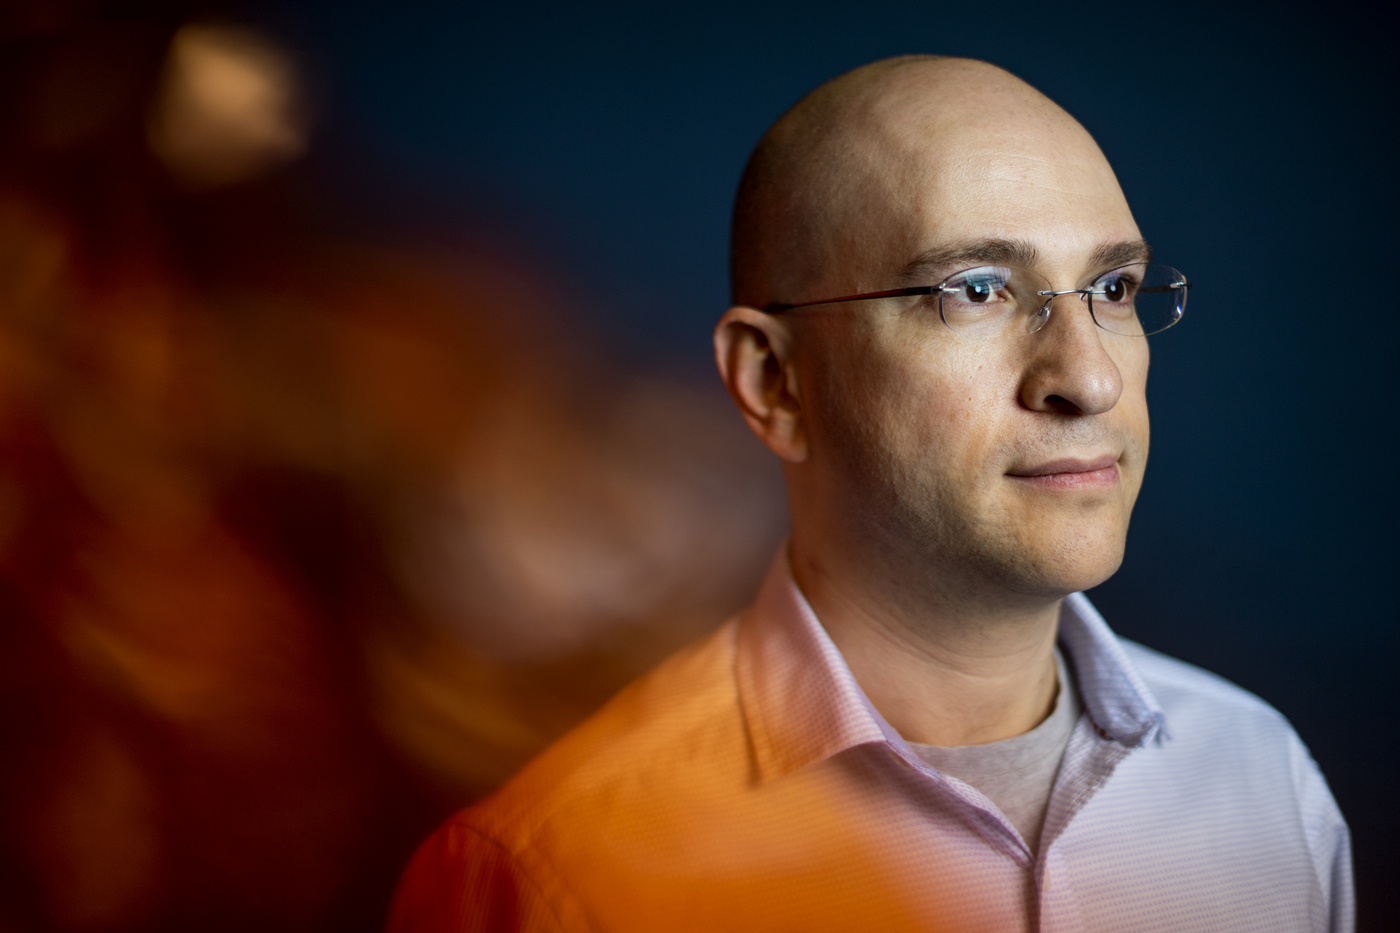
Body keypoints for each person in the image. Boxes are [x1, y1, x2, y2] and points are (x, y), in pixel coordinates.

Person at [387, 56, 1353, 932]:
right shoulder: (548, 875)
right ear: (774, 382)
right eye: (976, 289)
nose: (1090, 380)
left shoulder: (1263, 780)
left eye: (1112, 289)